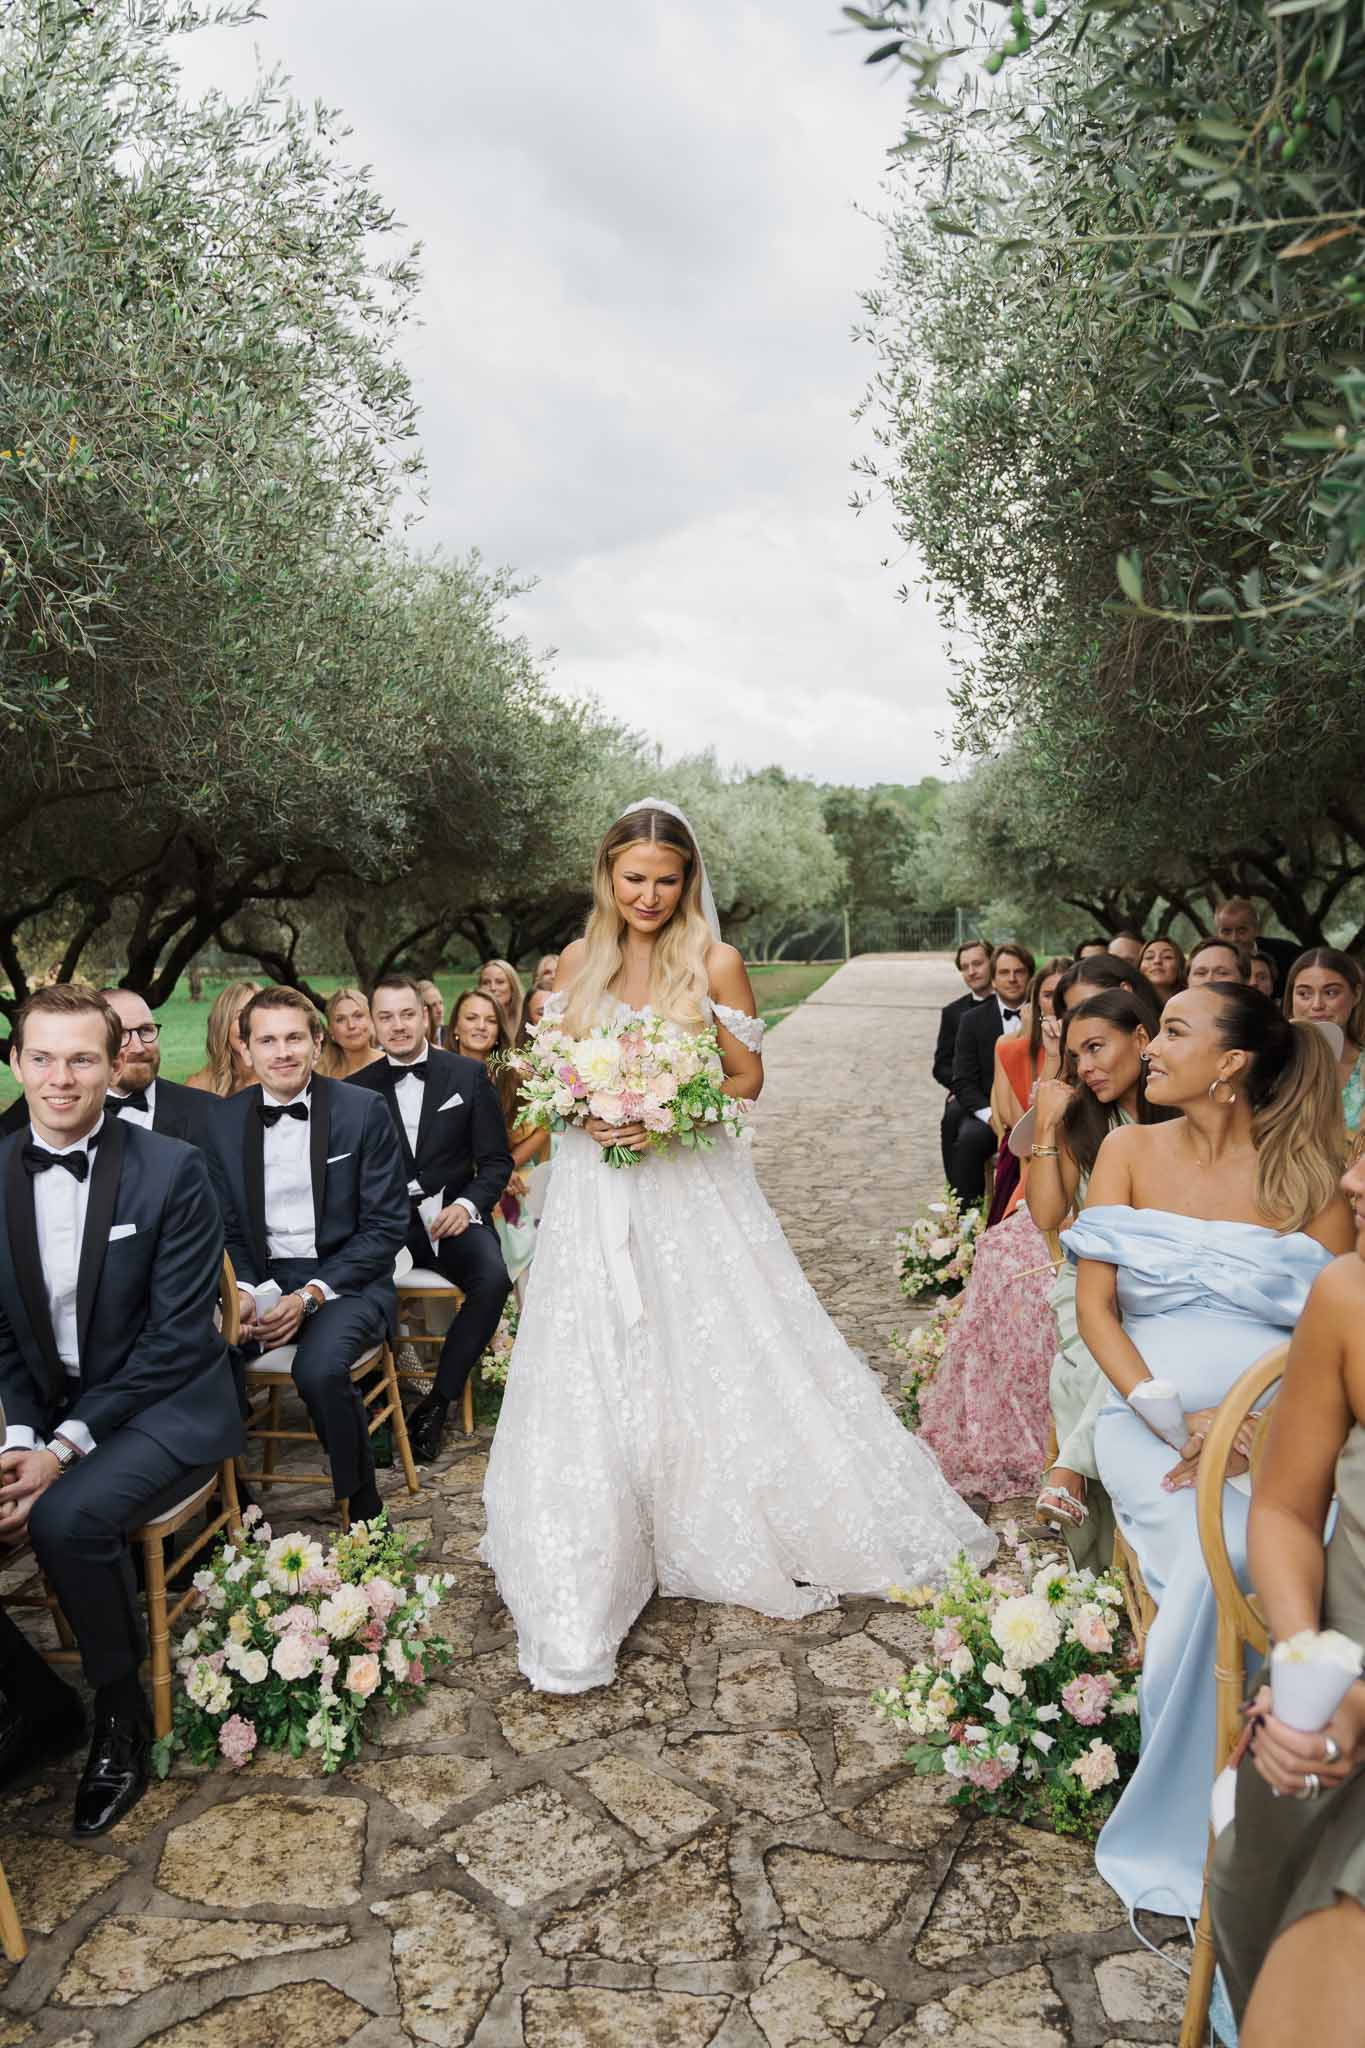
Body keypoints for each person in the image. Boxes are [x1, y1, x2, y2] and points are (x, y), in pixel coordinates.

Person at [481, 798, 995, 1694]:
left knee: (707, 1341)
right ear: (607, 877)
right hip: (594, 1193)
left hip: (687, 1188)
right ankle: (598, 1528)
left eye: (666, 880)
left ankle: (706, 1509)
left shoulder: (713, 960)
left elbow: (747, 1077)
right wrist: (582, 1113)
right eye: (633, 878)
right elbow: (548, 1080)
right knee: (595, 1352)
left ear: (688, 883)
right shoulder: (572, 964)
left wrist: (664, 1109)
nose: (648, 895)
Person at [1068, 984, 1352, 1917]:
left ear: (1230, 1063)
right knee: (1214, 1560)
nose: (1150, 1048)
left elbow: (1332, 1328)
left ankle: (1270, 1804)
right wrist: (1173, 1419)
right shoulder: (1125, 1148)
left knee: (1279, 1563)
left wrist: (1252, 1427)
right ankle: (1187, 1824)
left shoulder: (1307, 1172)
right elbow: (1095, 1312)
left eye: (1175, 1033)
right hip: (1146, 1418)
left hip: (1271, 1426)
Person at [0, 985, 241, 1833]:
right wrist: (19, 1438)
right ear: (16, 1062)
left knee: (64, 1519)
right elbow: (1, 1332)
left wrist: (58, 1452)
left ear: (114, 1064)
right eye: (42, 1057)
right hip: (49, 1409)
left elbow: (178, 1340)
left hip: (167, 1405)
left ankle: (118, 1712)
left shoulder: (171, 1169)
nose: (60, 1079)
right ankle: (34, 1704)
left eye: (82, 1059)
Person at [1208, 1145, 1365, 2041]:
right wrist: (1307, 1658)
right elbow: (1280, 1507)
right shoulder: (1346, 1293)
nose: (1349, 1182)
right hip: (1333, 1677)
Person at [201, 986, 409, 1524]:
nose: (283, 1052)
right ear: (245, 1050)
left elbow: (387, 1227)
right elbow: (223, 1228)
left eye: (295, 1037)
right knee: (197, 1355)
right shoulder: (221, 1124)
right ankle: (236, 1501)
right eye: (267, 1040)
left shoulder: (363, 1111)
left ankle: (363, 1506)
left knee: (318, 1371)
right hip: (262, 1279)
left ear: (318, 1043)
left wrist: (310, 1295)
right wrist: (243, 1294)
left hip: (346, 1281)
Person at [1027, 983, 1168, 1557]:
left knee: (1099, 1362)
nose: (1085, 1067)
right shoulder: (1080, 1120)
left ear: (1141, 1038)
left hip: (1162, 1279)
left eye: (1097, 1048)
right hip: (1087, 1276)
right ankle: (1098, 1565)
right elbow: (1046, 1214)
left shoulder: (1186, 1116)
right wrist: (1044, 1128)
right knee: (1090, 1350)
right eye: (1077, 1054)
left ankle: (1070, 1471)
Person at [356, 976, 512, 1461]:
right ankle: (373, 1407)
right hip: (389, 1225)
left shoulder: (466, 1077)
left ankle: (437, 1403)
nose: (398, 1026)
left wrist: (466, 1207)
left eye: (407, 1014)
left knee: (493, 1279)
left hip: (453, 1215)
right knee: (358, 1284)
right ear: (373, 1025)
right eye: (386, 1017)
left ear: (425, 1016)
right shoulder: (353, 1091)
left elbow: (495, 1164)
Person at [448, 990, 539, 1294]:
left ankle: (515, 1318)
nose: (480, 1026)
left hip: (506, 1175)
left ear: (500, 1030)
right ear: (455, 1028)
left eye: (490, 1020)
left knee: (515, 1201)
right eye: (471, 1018)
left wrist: (505, 1169)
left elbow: (541, 1129)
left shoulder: (513, 1075)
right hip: (455, 1182)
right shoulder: (439, 1073)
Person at [947, 942, 1036, 1205]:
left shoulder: (1046, 1012)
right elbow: (963, 1080)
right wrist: (992, 1117)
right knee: (969, 1138)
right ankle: (968, 1214)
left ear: (1030, 976)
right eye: (1004, 972)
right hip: (992, 1112)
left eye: (1019, 972)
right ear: (993, 980)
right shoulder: (972, 1020)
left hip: (1038, 1111)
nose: (1012, 979)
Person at [985, 957, 1071, 1224]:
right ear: (1035, 1001)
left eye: (1063, 994)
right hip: (1027, 1152)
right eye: (1047, 994)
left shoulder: (1089, 1048)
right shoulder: (1010, 1047)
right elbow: (1012, 1118)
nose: (1056, 1002)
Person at [1285, 947, 1365, 1138]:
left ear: (1357, 994)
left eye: (1330, 993)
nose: (1317, 1005)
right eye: (1304, 994)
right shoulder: (1271, 1062)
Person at [935, 939, 994, 1183]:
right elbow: (941, 1065)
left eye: (978, 963)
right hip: (968, 1090)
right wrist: (961, 1085)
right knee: (952, 1115)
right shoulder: (953, 1013)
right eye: (965, 966)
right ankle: (958, 1194)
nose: (972, 971)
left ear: (992, 961)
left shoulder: (1013, 1004)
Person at [185, 979, 260, 1096]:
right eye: (241, 1016)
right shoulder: (198, 1087)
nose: (250, 1026)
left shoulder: (282, 1080)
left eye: (258, 1016)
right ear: (222, 1025)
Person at [1215, 895, 1300, 982]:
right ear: (1217, 934)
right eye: (1226, 932)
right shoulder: (1209, 963)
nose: (1234, 938)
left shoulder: (1287, 954)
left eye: (1242, 931)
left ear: (1256, 930)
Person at [317, 986, 380, 1081]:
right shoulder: (318, 1074)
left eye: (358, 1016)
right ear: (330, 1030)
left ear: (371, 1020)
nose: (351, 1025)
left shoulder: (392, 1065)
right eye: (340, 1019)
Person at [478, 959, 524, 1042]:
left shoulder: (527, 1025)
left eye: (500, 982)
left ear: (512, 987)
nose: (493, 988)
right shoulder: (474, 1025)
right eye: (486, 983)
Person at [417, 979, 447, 1051]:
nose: (440, 1010)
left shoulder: (452, 1037)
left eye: (441, 1003)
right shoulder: (414, 1042)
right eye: (433, 1005)